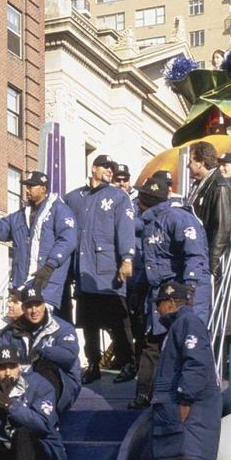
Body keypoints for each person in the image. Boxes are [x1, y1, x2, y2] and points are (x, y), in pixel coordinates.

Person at [147, 279, 222, 460]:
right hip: (192, 411)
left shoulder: (186, 323)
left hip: (187, 411)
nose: (158, 310)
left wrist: (183, 399)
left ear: (169, 303)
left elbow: (196, 364)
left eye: (160, 305)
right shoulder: (185, 324)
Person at [130, 174, 211, 409]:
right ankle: (144, 393)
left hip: (179, 293)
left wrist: (190, 291)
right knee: (152, 342)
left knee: (182, 343)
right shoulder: (148, 225)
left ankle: (182, 394)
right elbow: (149, 264)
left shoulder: (179, 219)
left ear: (145, 201)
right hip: (158, 294)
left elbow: (195, 256)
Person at [63, 154, 137, 383]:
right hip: (84, 272)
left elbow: (125, 227)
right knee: (88, 323)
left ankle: (129, 363)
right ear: (93, 168)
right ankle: (93, 364)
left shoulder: (118, 196)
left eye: (112, 168)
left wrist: (127, 258)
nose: (109, 171)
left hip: (108, 271)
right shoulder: (74, 197)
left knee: (118, 322)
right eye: (105, 166)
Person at [0, 170, 77, 308]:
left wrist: (50, 265)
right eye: (26, 186)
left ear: (43, 189)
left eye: (31, 187)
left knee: (42, 325)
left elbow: (68, 239)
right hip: (22, 286)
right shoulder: (21, 215)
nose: (27, 190)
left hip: (46, 286)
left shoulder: (60, 210)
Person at [0, 286, 82, 412]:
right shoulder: (13, 330)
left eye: (37, 305)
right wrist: (10, 358)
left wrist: (42, 352)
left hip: (64, 385)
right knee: (2, 368)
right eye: (29, 306)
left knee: (44, 365)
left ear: (44, 305)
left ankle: (47, 412)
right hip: (25, 380)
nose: (34, 310)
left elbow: (69, 356)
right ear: (23, 309)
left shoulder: (62, 328)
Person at [187, 141, 231, 345]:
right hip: (198, 261)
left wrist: (212, 267)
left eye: (191, 162)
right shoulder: (199, 185)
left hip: (210, 264)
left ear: (200, 162)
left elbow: (222, 227)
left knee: (213, 318)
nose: (189, 166)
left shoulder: (219, 186)